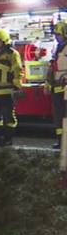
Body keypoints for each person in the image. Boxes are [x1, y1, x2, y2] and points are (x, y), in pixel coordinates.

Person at [47, 21, 67, 150]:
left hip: (65, 88)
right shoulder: (57, 48)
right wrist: (47, 83)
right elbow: (52, 67)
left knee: (65, 116)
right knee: (58, 116)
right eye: (55, 34)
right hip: (56, 88)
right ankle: (60, 141)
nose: (56, 37)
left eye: (58, 34)